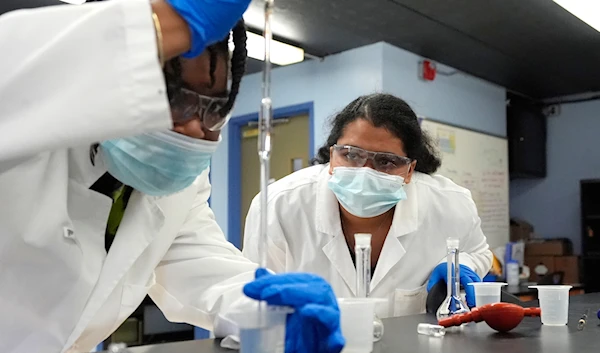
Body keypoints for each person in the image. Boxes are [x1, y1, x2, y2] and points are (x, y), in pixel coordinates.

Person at [0, 1, 343, 353]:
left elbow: (198, 263)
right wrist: (168, 21)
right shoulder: (23, 133)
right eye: (173, 97)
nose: (194, 127)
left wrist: (270, 310)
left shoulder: (180, 183)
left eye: (212, 107)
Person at [243, 93, 493, 318]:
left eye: (386, 161)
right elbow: (253, 300)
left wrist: (462, 265)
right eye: (351, 155)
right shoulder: (279, 206)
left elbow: (480, 253)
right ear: (332, 156)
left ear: (409, 170)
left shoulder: (450, 204)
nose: (364, 172)